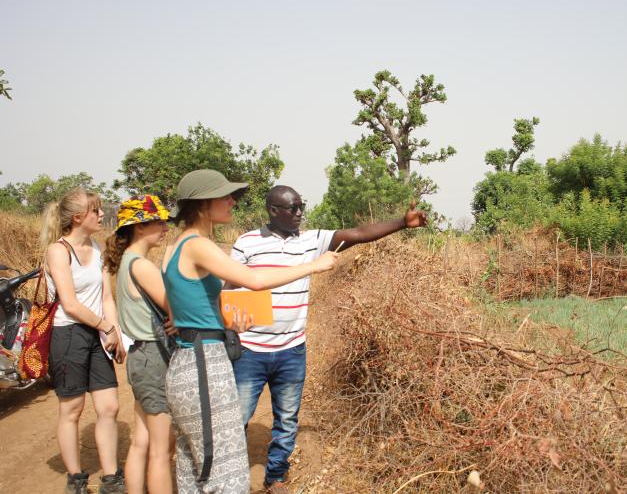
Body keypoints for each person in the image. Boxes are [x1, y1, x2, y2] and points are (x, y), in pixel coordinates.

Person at [228, 185, 428, 492]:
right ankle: (230, 477)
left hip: (292, 349)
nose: (299, 213)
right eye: (292, 208)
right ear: (272, 211)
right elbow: (229, 288)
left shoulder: (311, 240)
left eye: (301, 206)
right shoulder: (246, 243)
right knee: (235, 419)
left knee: (286, 419)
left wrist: (402, 222)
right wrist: (230, 327)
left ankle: (277, 476)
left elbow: (360, 232)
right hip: (250, 350)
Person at [162, 170, 338, 493]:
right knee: (225, 471)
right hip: (204, 365)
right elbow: (253, 281)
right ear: (203, 204)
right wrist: (314, 266)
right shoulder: (197, 245)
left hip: (189, 358)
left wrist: (227, 321)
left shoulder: (174, 248)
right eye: (225, 196)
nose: (232, 202)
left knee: (195, 468)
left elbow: (186, 312)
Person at [42, 187, 127, 494]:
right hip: (69, 335)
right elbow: (70, 304)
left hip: (98, 333)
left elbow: (107, 296)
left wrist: (115, 333)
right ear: (79, 217)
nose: (102, 214)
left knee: (109, 407)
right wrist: (106, 327)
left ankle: (110, 477)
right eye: (96, 210)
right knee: (73, 409)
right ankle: (76, 479)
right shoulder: (58, 251)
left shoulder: (97, 248)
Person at [104, 195, 175, 494]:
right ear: (139, 227)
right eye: (158, 222)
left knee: (142, 441)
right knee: (161, 450)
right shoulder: (141, 266)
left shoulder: (127, 263)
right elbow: (177, 306)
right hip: (155, 359)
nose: (164, 228)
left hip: (140, 358)